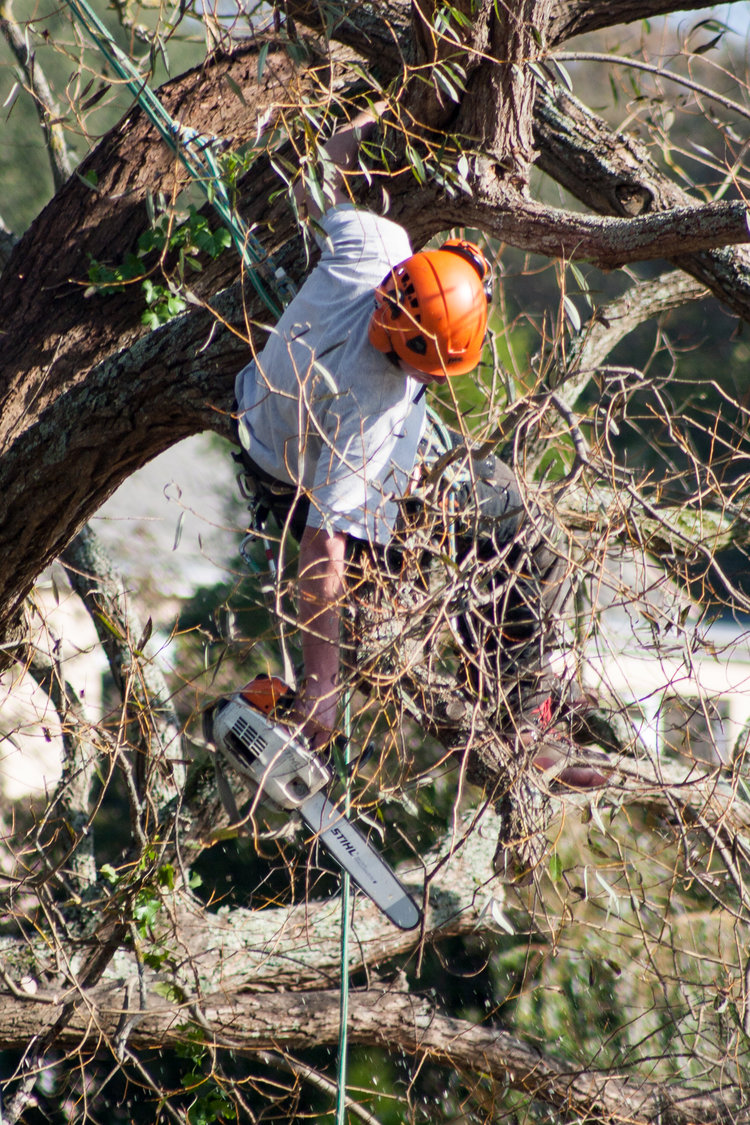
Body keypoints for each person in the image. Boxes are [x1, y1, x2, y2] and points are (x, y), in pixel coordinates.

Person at [232, 106, 608, 788]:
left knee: (481, 514)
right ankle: (524, 720)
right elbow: (323, 543)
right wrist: (320, 686)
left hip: (266, 423)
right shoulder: (372, 404)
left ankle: (531, 682)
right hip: (301, 478)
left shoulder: (375, 245)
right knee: (518, 522)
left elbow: (325, 173)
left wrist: (367, 110)